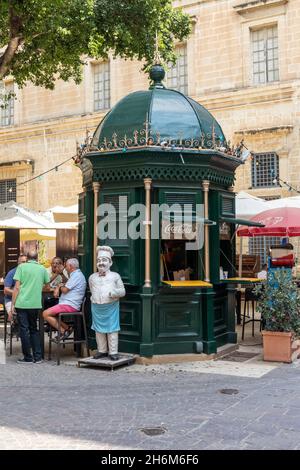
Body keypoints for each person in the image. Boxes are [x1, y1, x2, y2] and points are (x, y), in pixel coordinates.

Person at [10, 250, 50, 364]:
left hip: (22, 303)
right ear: (37, 258)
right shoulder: (42, 269)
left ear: (27, 257)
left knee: (24, 329)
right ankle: (38, 357)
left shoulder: (22, 267)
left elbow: (16, 288)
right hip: (35, 303)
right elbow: (47, 286)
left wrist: (12, 305)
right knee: (34, 329)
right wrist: (36, 287)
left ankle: (27, 357)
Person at [89, 246, 126, 361]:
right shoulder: (92, 277)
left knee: (112, 329)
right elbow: (92, 289)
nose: (101, 263)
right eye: (99, 260)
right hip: (96, 307)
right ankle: (102, 350)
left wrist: (113, 293)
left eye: (104, 260)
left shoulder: (115, 276)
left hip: (111, 306)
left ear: (110, 262)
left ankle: (113, 352)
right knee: (98, 330)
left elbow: (123, 291)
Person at [43, 258, 86, 340]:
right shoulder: (76, 275)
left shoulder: (76, 275)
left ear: (70, 266)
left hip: (70, 305)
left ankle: (64, 331)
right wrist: (60, 286)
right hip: (68, 303)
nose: (65, 268)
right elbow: (66, 285)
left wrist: (59, 286)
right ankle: (67, 328)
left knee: (45, 313)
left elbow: (65, 290)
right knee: (48, 312)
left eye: (66, 266)